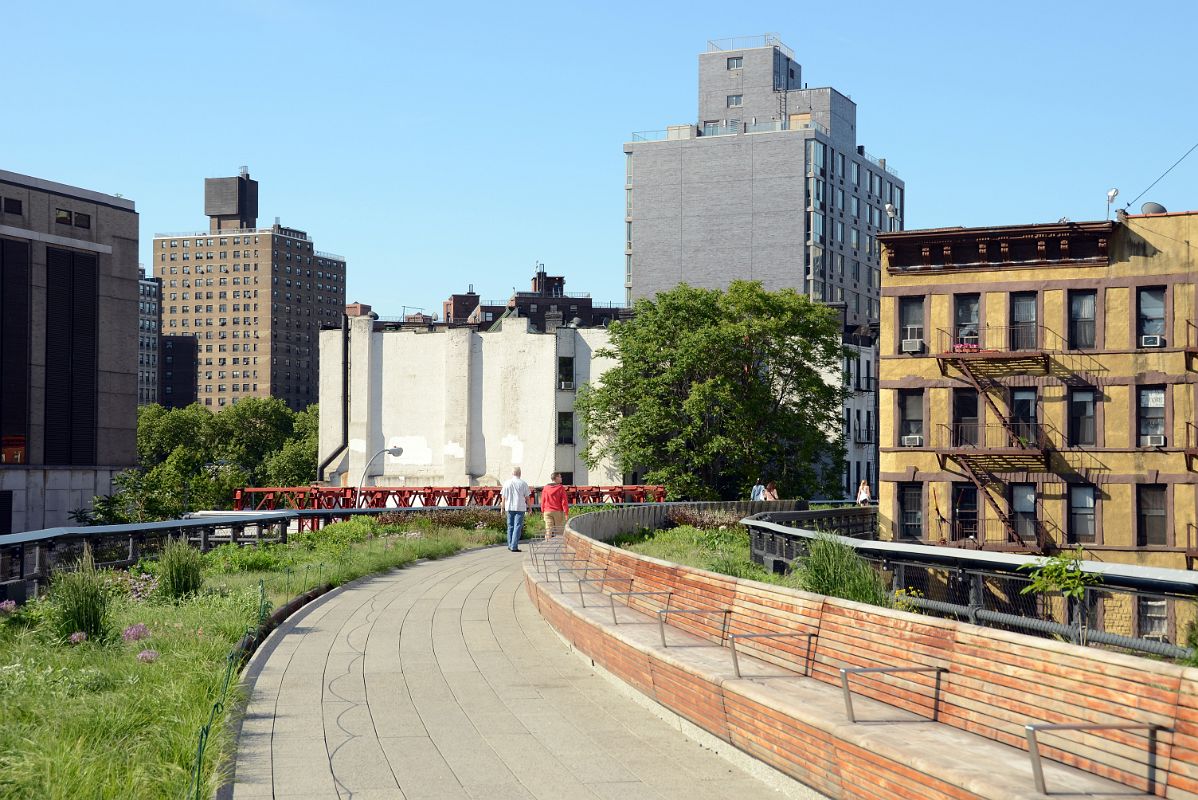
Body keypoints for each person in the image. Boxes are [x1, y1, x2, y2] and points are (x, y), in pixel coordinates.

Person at [500, 467, 530, 552]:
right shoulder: (523, 483)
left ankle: (510, 545)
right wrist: (530, 507)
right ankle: (514, 546)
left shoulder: (507, 483)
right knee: (517, 527)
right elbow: (527, 497)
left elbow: (503, 497)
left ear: (512, 473)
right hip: (520, 507)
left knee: (510, 526)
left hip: (509, 507)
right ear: (520, 473)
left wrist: (502, 508)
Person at [540, 472, 569, 539]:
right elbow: (564, 501)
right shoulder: (560, 488)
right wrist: (566, 512)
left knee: (548, 530)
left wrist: (542, 511)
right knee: (559, 530)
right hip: (557, 511)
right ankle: (559, 546)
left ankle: (547, 544)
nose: (561, 478)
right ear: (556, 478)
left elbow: (543, 500)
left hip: (547, 511)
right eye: (560, 477)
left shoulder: (546, 488)